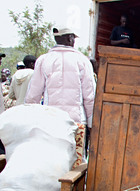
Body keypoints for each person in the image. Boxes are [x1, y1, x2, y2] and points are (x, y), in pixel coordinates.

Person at [25, 26, 96, 165]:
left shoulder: (43, 60)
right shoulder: (82, 61)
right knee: (77, 163)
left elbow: (33, 95)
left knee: (50, 160)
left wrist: (31, 120)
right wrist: (92, 124)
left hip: (50, 121)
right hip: (76, 122)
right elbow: (90, 96)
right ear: (70, 39)